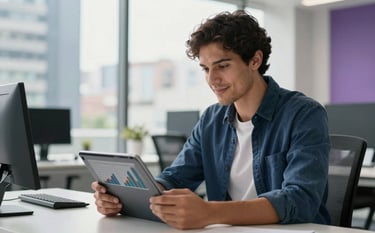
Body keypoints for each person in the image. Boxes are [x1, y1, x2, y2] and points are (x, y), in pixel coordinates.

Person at [91, 10, 330, 230]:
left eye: (222, 66)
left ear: (255, 60)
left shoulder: (303, 114)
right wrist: (125, 197)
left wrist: (209, 212)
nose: (212, 79)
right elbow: (175, 177)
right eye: (206, 69)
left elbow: (301, 199)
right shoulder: (211, 119)